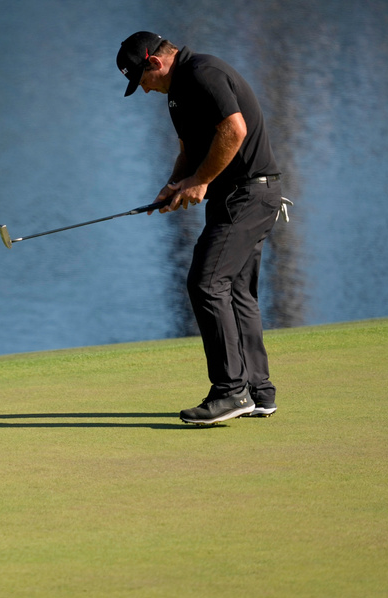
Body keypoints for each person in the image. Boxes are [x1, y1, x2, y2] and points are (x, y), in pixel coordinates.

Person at [116, 31, 288, 425]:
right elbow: (188, 151)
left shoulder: (202, 73)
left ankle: (230, 391)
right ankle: (257, 391)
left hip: (248, 195)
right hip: (238, 197)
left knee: (206, 283)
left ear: (155, 62)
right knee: (236, 291)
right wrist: (175, 184)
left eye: (142, 80)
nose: (145, 90)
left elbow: (234, 130)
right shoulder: (178, 91)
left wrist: (201, 181)